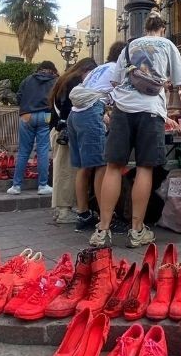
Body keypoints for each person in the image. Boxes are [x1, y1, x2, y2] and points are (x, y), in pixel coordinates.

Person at [90, 14, 181, 248]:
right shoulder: (167, 45)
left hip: (122, 110)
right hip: (149, 111)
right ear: (163, 29)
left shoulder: (129, 47)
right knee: (145, 167)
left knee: (113, 167)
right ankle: (136, 231)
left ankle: (102, 230)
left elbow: (115, 82)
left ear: (145, 29)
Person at [69, 41, 125, 231]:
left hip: (75, 114)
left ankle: (84, 214)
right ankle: (105, 218)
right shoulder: (117, 70)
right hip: (91, 112)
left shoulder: (98, 69)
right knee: (102, 165)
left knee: (84, 167)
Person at [48, 57, 97, 224]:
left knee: (66, 170)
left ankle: (62, 208)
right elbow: (68, 108)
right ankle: (63, 210)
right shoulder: (74, 82)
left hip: (59, 130)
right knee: (66, 170)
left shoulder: (65, 80)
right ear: (85, 70)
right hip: (65, 131)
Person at [8, 61, 59, 196]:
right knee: (42, 151)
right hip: (46, 116)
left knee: (24, 151)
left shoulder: (28, 79)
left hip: (27, 115)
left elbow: (19, 97)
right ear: (52, 70)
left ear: (39, 69)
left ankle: (16, 186)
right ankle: (42, 186)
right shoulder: (55, 81)